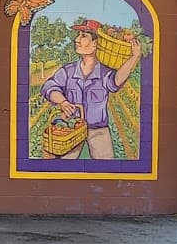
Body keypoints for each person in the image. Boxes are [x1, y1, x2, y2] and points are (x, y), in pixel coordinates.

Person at [41, 19, 142, 160]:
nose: (76, 40)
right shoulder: (68, 71)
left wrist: (134, 57)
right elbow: (49, 87)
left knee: (106, 167)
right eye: (78, 35)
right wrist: (63, 102)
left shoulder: (103, 73)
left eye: (83, 36)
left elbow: (115, 82)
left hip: (98, 130)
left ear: (95, 44)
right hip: (71, 128)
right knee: (62, 167)